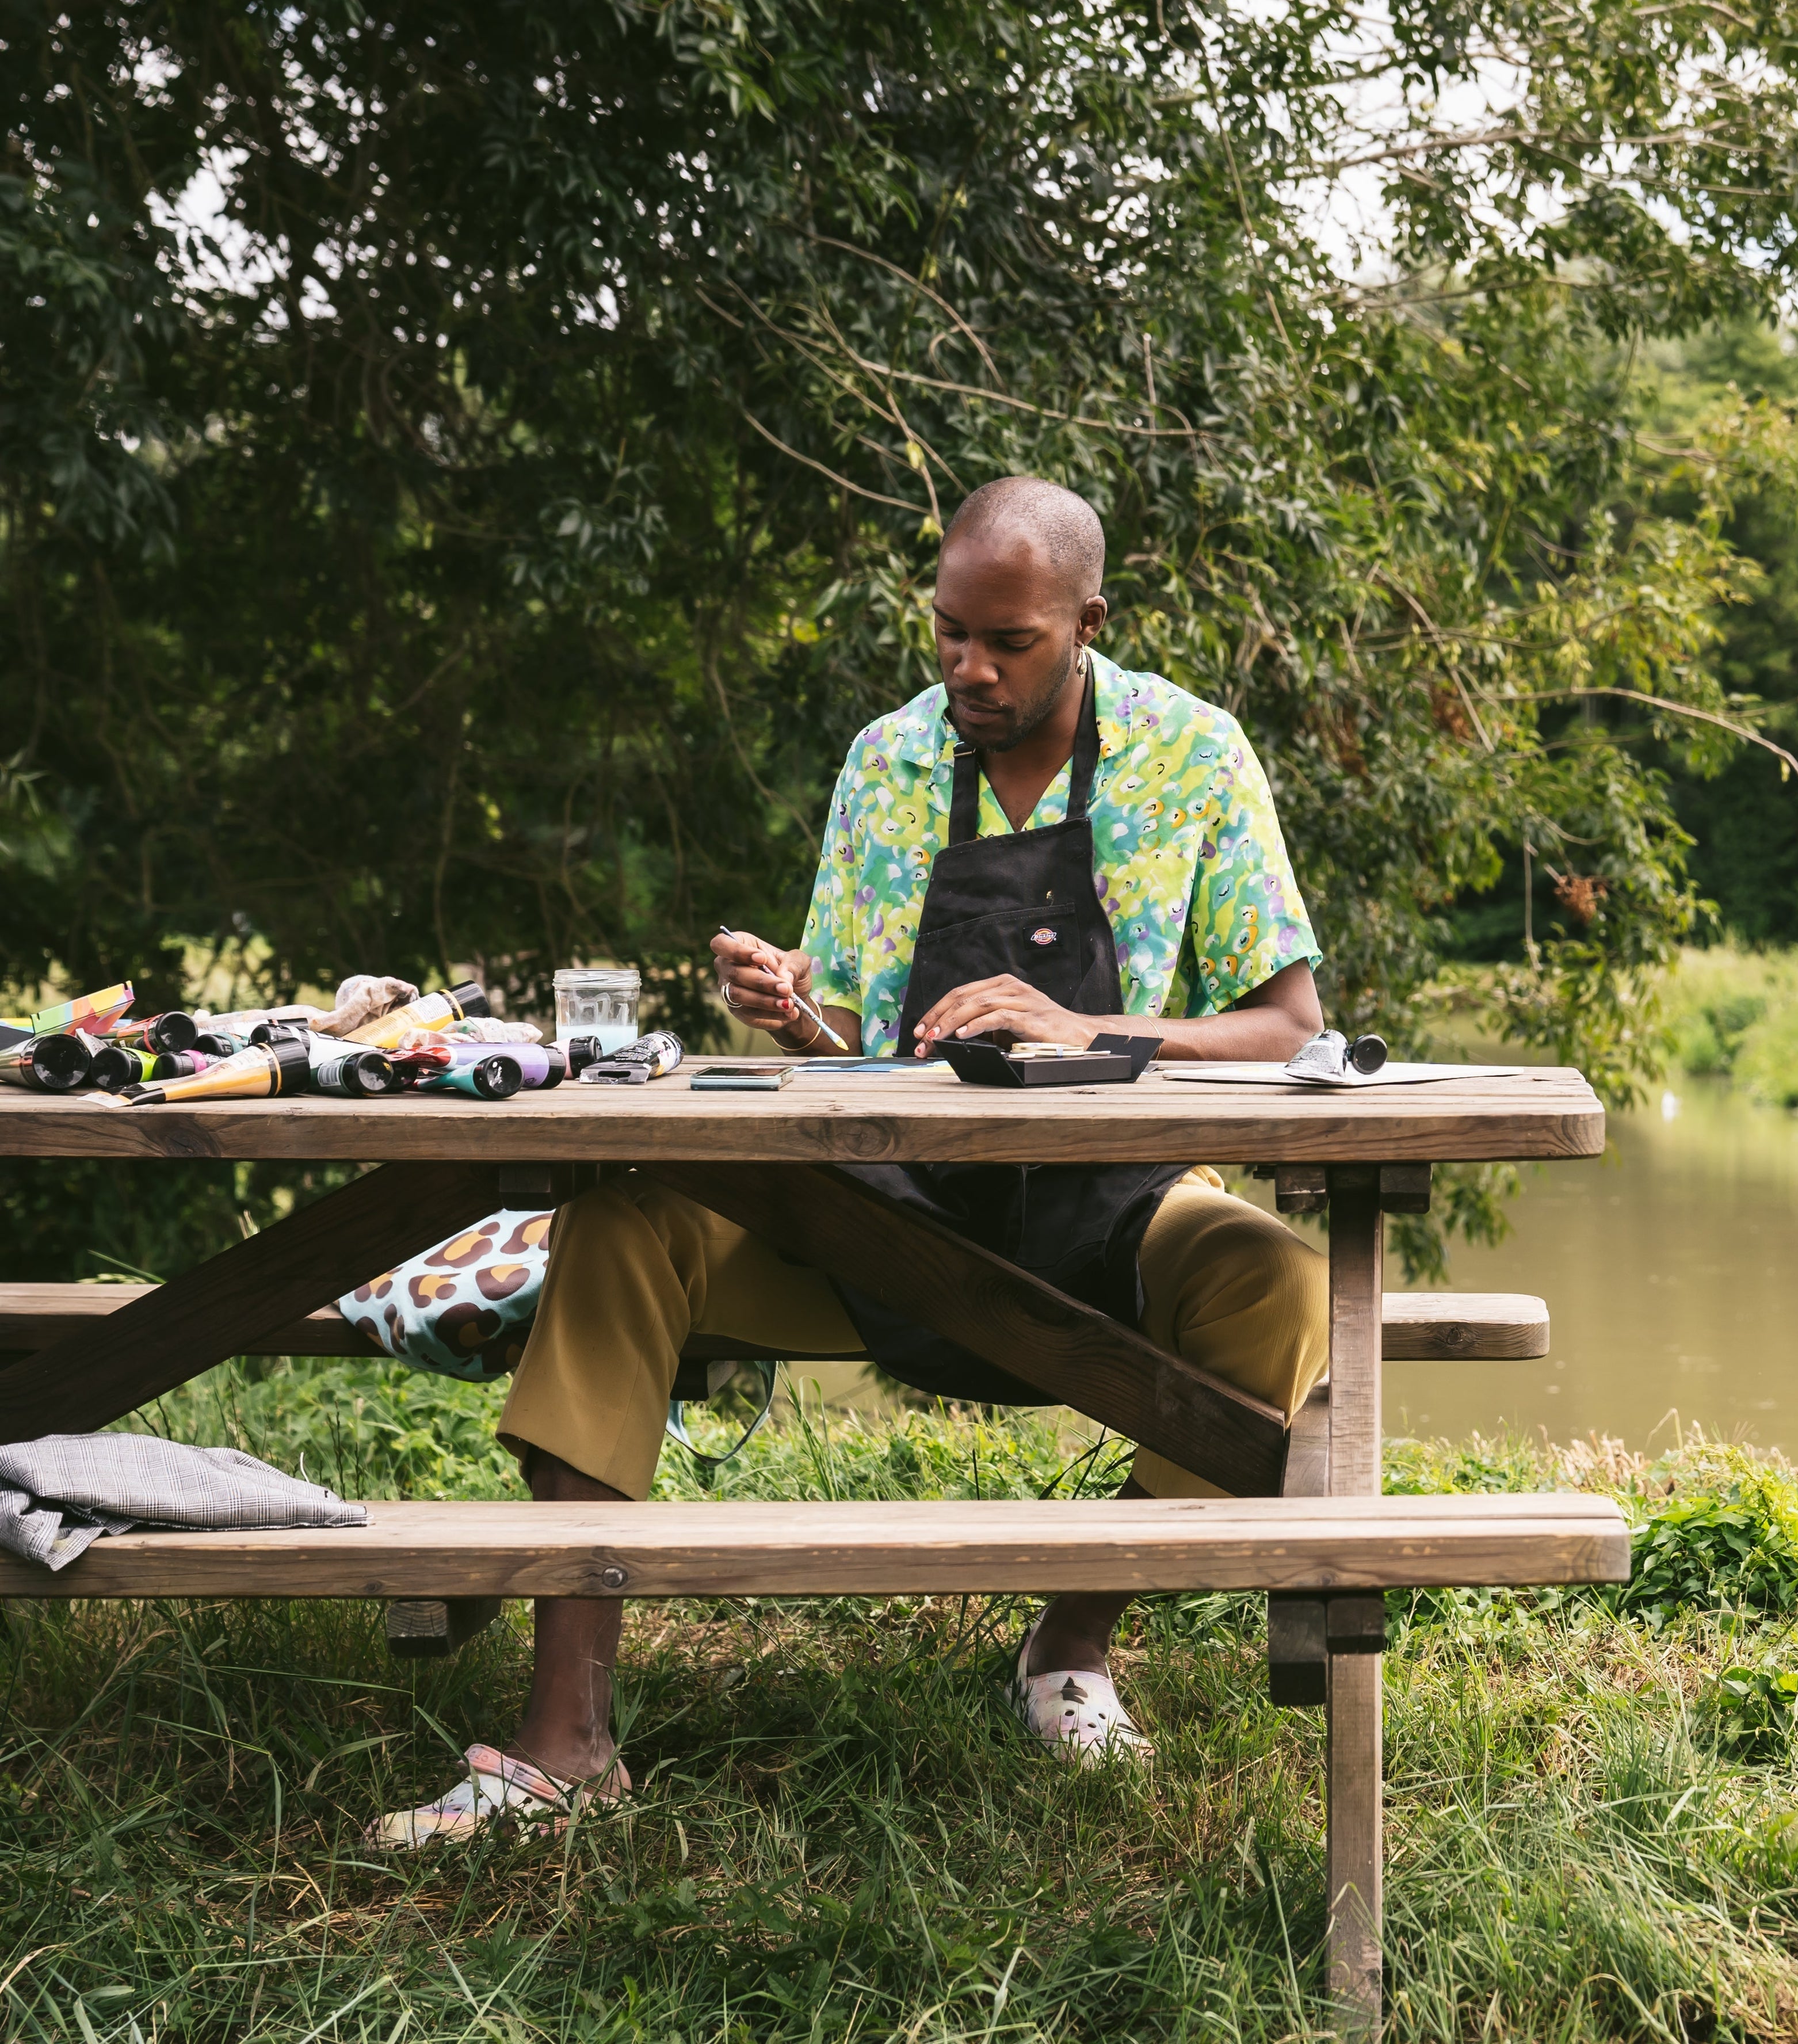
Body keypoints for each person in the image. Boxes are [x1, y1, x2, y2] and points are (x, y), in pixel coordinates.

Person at [368, 476, 1331, 1848]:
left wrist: (1084, 1025)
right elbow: (857, 1049)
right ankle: (565, 1741)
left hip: (1107, 1217)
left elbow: (1287, 1026)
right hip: (886, 1222)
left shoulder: (1194, 754)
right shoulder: (887, 763)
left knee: (1283, 1287)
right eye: (948, 633)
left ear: (1089, 622)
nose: (970, 669)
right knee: (625, 1225)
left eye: (1010, 642)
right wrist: (791, 1009)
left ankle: (1070, 1648)